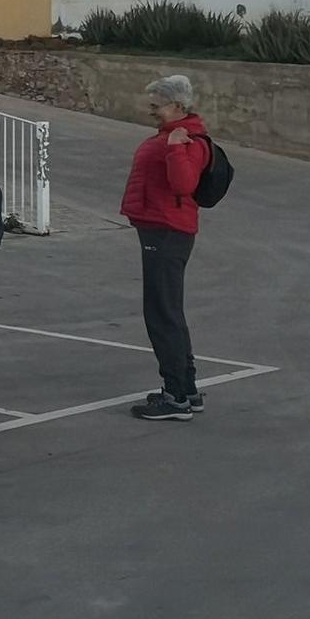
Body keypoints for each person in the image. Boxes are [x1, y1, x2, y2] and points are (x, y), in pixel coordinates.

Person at [122, 75, 211, 422]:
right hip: (160, 229)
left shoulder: (187, 139)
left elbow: (185, 183)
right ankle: (185, 389)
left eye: (157, 105)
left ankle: (175, 396)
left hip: (167, 231)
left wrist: (175, 147)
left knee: (162, 313)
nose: (151, 111)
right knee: (167, 310)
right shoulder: (174, 134)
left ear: (177, 106)